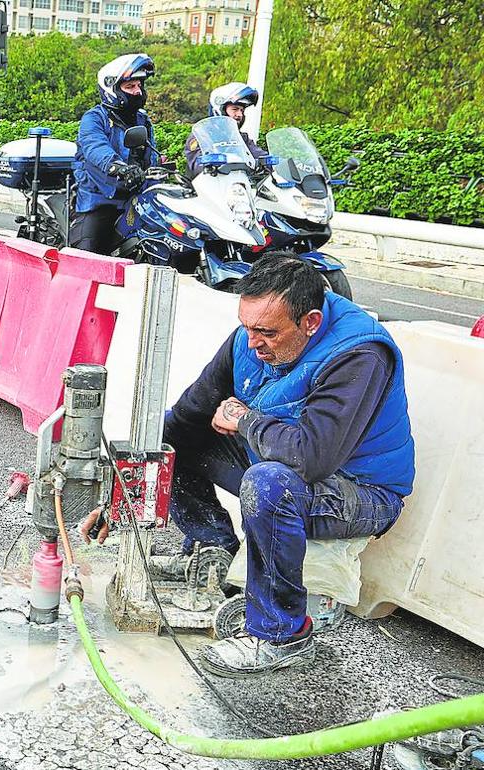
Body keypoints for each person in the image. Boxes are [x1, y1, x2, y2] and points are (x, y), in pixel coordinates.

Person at [135, 256, 413, 677]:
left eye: (266, 333)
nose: (252, 343)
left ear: (311, 323)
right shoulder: (254, 336)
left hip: (360, 491)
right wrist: (126, 482)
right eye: (247, 328)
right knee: (167, 441)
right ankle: (213, 549)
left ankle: (282, 635)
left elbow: (311, 458)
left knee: (269, 484)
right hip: (280, 463)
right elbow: (191, 412)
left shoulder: (359, 354)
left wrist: (245, 419)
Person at [70, 53, 160, 256]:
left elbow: (151, 156)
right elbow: (95, 148)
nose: (138, 92)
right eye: (130, 87)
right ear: (112, 89)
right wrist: (119, 167)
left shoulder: (142, 121)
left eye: (139, 86)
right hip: (100, 199)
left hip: (136, 198)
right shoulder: (94, 118)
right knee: (86, 256)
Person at [186, 82, 268, 176]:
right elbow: (197, 165)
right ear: (220, 110)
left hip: (238, 186)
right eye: (235, 109)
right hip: (206, 186)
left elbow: (259, 155)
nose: (240, 114)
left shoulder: (241, 138)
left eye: (242, 110)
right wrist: (210, 164)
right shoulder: (201, 136)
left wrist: (275, 162)